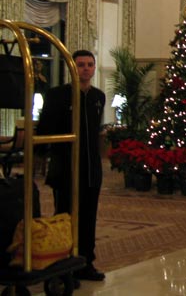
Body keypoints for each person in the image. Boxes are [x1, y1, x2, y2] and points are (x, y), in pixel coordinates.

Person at [37, 50, 106, 282]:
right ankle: (63, 266)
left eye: (90, 65)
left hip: (91, 169)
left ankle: (85, 263)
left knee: (88, 217)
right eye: (81, 65)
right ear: (72, 68)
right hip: (66, 167)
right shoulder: (57, 95)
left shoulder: (98, 96)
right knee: (65, 217)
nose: (86, 69)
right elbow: (45, 129)